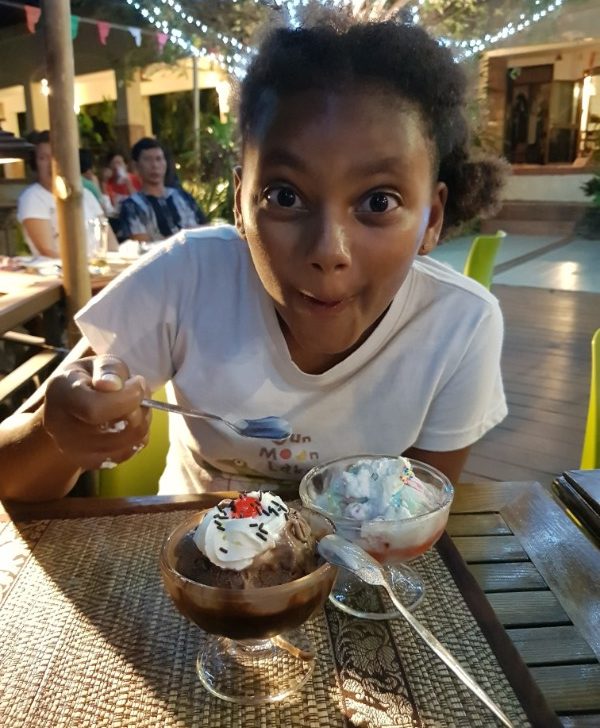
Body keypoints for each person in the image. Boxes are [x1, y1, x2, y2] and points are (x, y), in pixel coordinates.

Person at [0, 17, 508, 503]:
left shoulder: (458, 327)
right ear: (240, 201)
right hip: (193, 567)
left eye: (379, 202)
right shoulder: (187, 278)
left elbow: (417, 519)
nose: (329, 251)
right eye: (285, 196)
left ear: (433, 217)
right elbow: (13, 480)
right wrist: (59, 430)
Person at [16, 131, 118, 258]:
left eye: (57, 156)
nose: (51, 165)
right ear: (35, 164)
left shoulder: (86, 194)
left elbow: (110, 241)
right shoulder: (33, 197)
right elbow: (47, 250)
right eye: (43, 158)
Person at [118, 137, 206, 242]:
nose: (154, 165)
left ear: (165, 163)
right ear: (136, 166)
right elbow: (141, 243)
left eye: (158, 159)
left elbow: (206, 228)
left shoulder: (183, 197)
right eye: (147, 160)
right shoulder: (131, 206)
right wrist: (186, 238)